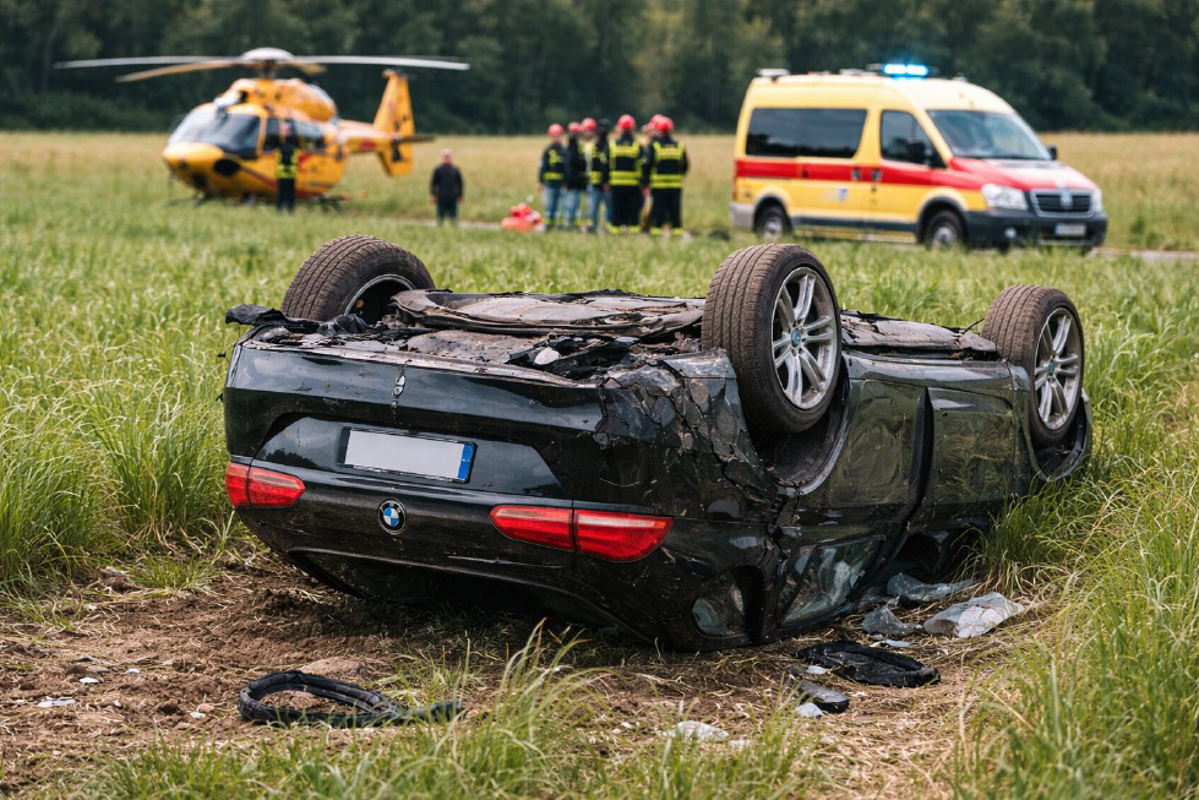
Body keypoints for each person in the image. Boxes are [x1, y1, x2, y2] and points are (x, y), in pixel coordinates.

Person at [645, 116, 689, 236]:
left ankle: (655, 234)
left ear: (658, 131)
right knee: (675, 212)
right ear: (671, 130)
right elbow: (685, 166)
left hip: (659, 187)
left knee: (658, 211)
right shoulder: (679, 145)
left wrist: (647, 181)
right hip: (675, 187)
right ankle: (677, 234)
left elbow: (648, 165)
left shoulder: (654, 146)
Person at [607, 114, 643, 233]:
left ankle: (616, 231)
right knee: (633, 210)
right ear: (633, 129)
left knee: (617, 209)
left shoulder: (612, 145)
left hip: (616, 184)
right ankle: (633, 231)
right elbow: (644, 165)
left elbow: (605, 165)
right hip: (633, 184)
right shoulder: (638, 146)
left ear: (619, 129)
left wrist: (605, 181)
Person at [538, 124, 567, 230]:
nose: (556, 138)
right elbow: (543, 167)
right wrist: (541, 181)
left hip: (561, 184)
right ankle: (549, 227)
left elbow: (567, 168)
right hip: (549, 184)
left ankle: (559, 227)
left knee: (561, 207)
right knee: (549, 207)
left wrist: (566, 181)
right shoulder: (547, 151)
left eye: (558, 136)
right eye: (554, 136)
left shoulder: (564, 150)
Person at [585, 118, 611, 233]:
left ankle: (605, 227)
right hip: (595, 183)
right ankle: (593, 227)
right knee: (593, 208)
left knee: (606, 209)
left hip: (605, 184)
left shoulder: (610, 146)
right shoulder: (593, 146)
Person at [429, 148, 464, 226]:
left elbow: (460, 183)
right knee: (440, 216)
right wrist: (433, 194)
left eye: (448, 156)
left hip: (452, 195)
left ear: (451, 157)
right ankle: (440, 228)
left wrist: (460, 194)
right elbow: (433, 183)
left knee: (453, 217)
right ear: (442, 157)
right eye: (445, 156)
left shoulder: (455, 169)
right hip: (441, 195)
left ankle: (454, 228)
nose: (447, 158)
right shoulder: (438, 169)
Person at [563, 122, 588, 230]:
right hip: (572, 183)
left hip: (577, 182)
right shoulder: (570, 149)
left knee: (575, 205)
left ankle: (572, 224)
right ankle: (569, 224)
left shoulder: (575, 148)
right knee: (570, 205)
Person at [274, 121, 297, 214]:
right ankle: (289, 210)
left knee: (283, 194)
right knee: (288, 194)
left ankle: (282, 210)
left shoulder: (284, 146)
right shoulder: (292, 146)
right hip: (290, 174)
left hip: (285, 174)